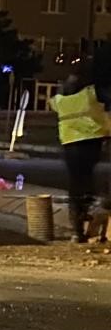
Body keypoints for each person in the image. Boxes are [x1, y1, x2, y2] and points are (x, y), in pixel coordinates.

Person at [48, 74, 111, 242]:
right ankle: (91, 206)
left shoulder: (59, 100)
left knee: (76, 182)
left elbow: (53, 104)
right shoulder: (91, 93)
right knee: (88, 176)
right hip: (90, 140)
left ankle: (77, 230)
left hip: (69, 143)